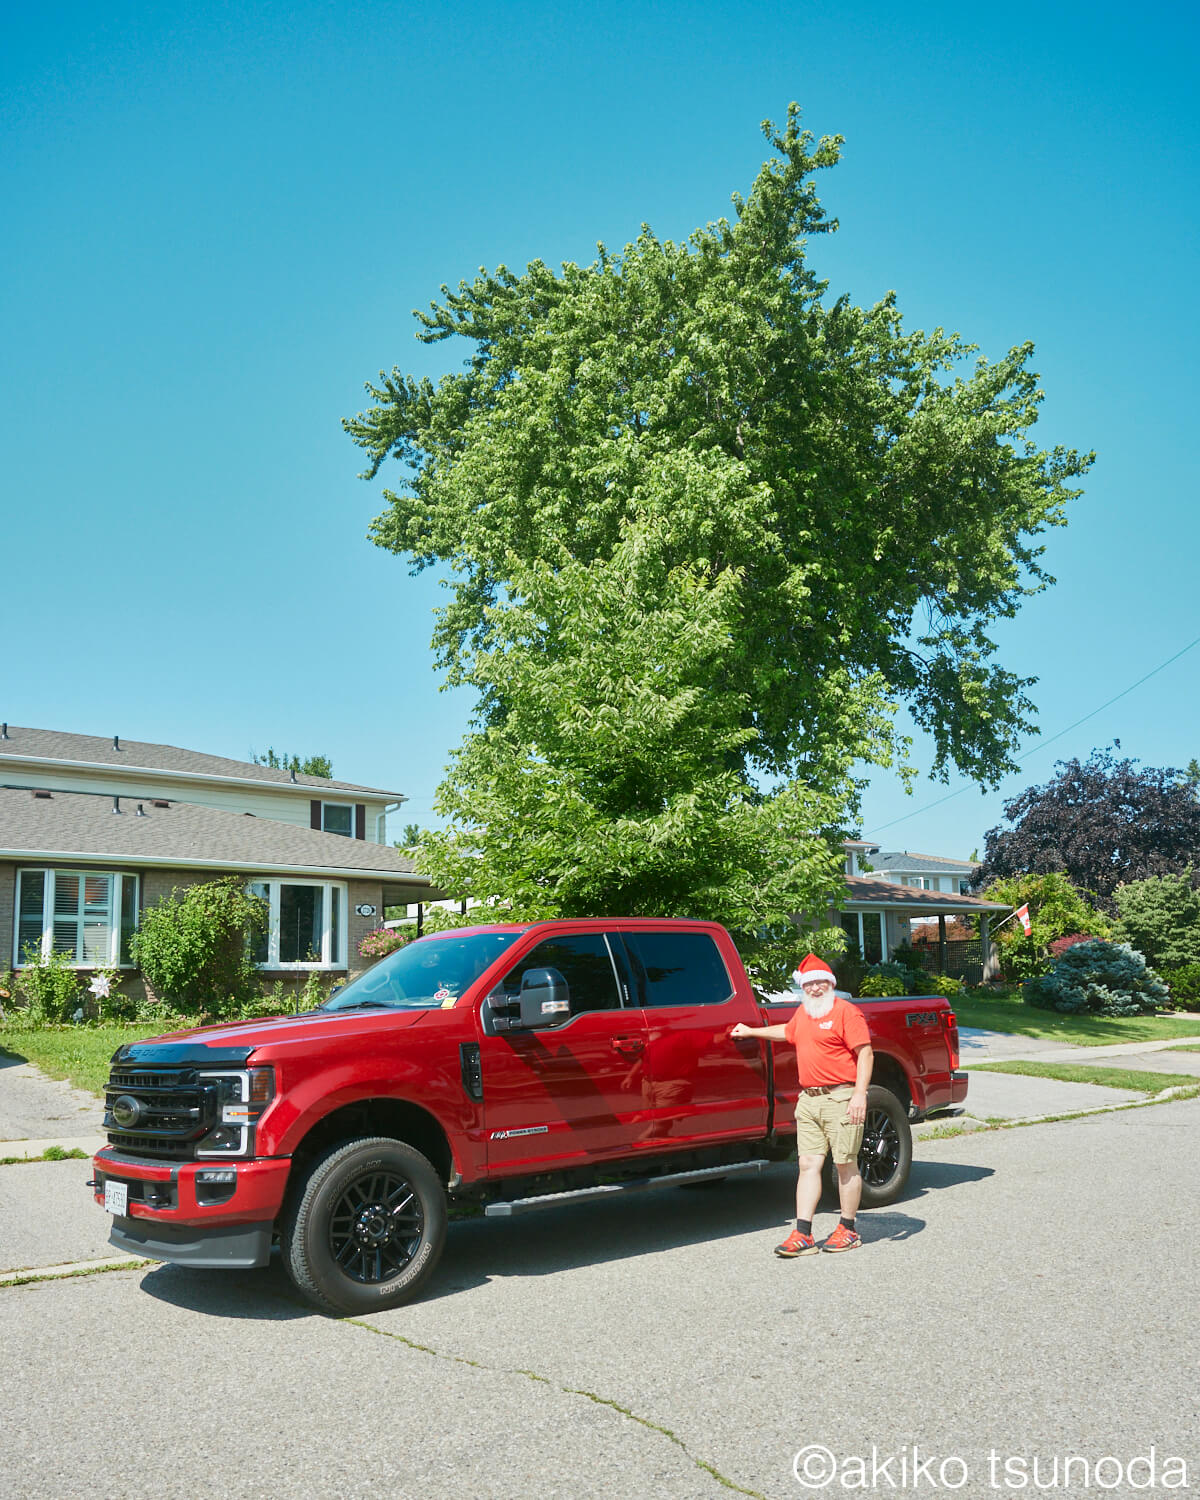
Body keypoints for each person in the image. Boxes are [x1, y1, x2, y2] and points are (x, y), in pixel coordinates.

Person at [731, 953, 873, 1255]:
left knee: (844, 1164)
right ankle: (803, 1234)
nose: (816, 988)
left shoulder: (847, 1012)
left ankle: (847, 1228)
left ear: (831, 984)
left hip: (841, 1097)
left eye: (822, 982)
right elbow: (787, 1032)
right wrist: (752, 1031)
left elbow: (865, 1053)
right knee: (807, 1164)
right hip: (809, 1100)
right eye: (810, 983)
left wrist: (859, 1094)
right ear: (803, 987)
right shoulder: (804, 1013)